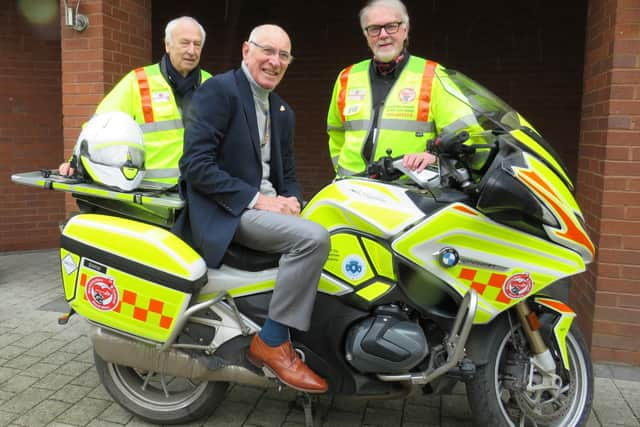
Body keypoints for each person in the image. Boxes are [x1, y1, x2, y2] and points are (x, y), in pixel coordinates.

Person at [173, 24, 330, 394]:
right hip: (227, 213)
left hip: (262, 210)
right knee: (313, 240)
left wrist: (292, 202)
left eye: (284, 56)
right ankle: (272, 342)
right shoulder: (220, 91)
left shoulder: (282, 110)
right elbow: (194, 165)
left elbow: (287, 175)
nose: (275, 62)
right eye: (267, 51)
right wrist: (260, 200)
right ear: (246, 50)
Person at [327, 0, 478, 177]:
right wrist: (342, 171)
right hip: (351, 189)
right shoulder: (347, 76)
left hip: (406, 192)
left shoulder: (433, 75)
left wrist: (434, 157)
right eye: (374, 29)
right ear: (366, 35)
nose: (383, 35)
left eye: (391, 26)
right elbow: (336, 134)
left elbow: (466, 134)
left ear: (405, 30)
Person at [59, 16, 212, 187]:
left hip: (198, 194)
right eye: (185, 43)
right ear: (168, 45)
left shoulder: (212, 85)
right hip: (150, 197)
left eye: (197, 44)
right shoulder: (138, 81)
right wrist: (75, 161)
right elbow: (99, 124)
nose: (191, 51)